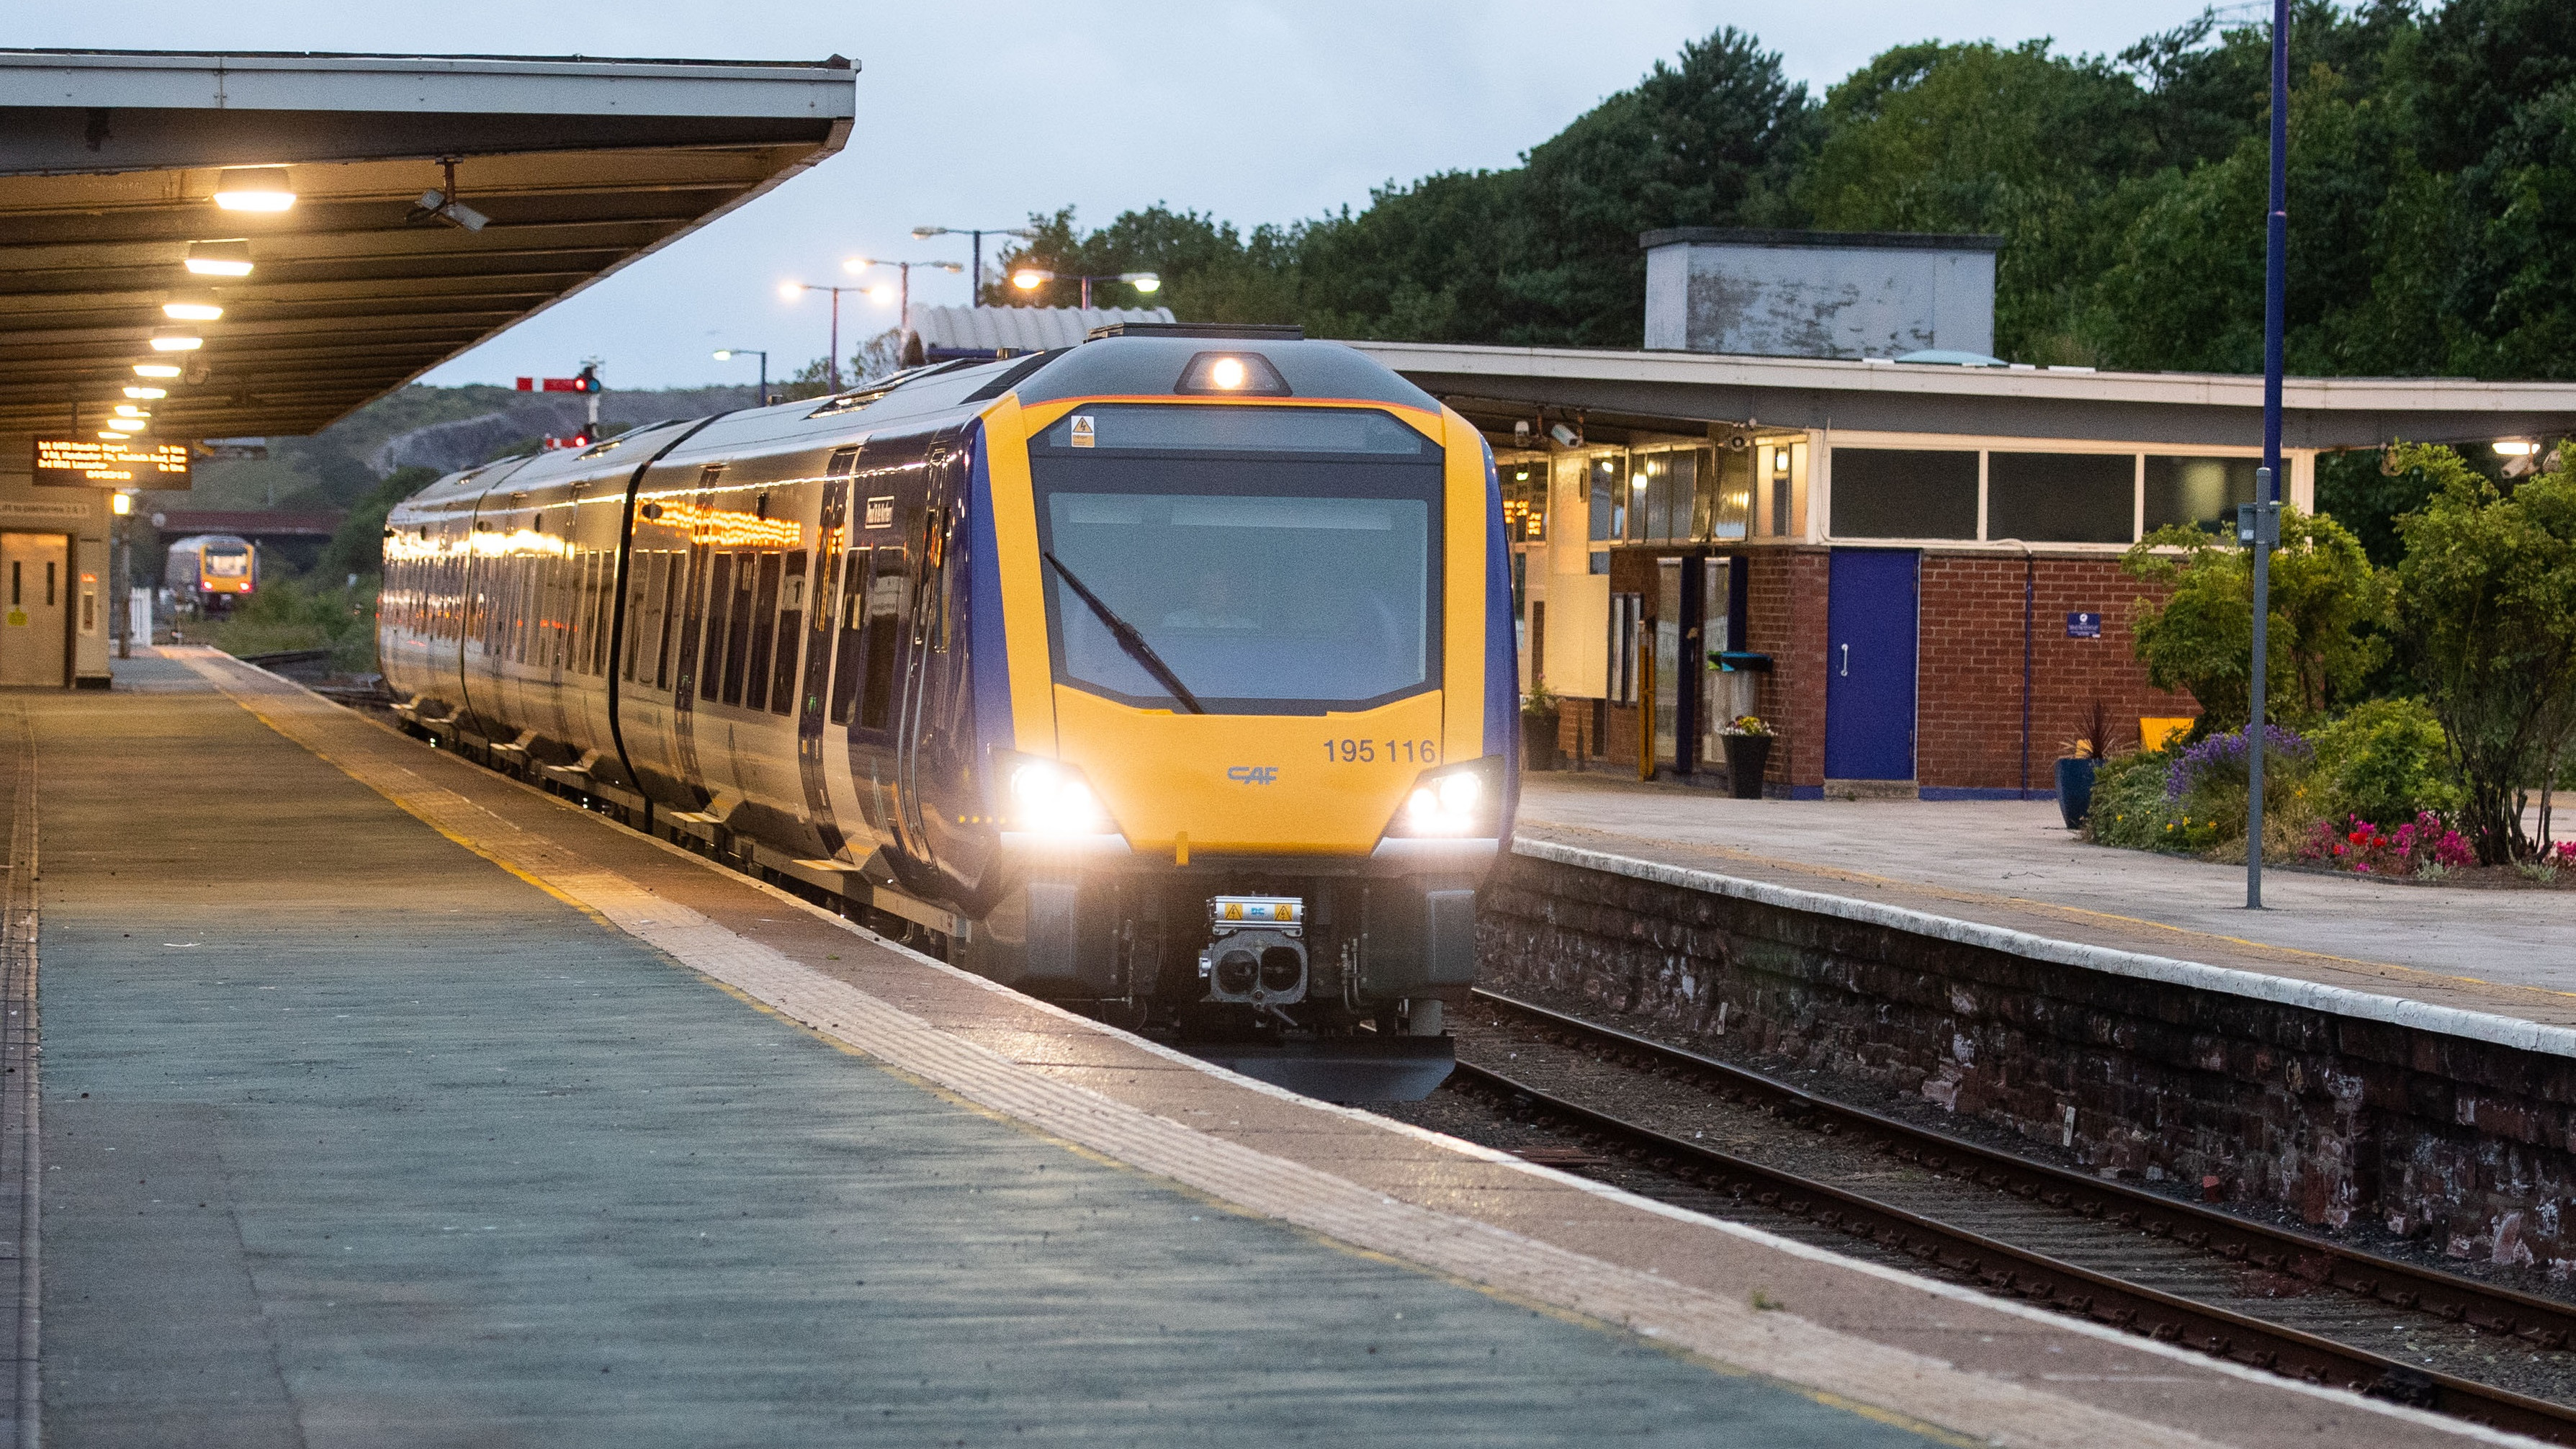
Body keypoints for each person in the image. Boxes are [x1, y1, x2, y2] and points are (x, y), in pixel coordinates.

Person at [1160, 566, 1257, 630]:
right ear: (1197, 591)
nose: (1212, 593)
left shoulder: (1246, 629)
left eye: (1219, 587)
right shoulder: (1175, 623)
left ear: (1228, 592)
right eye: (1207, 586)